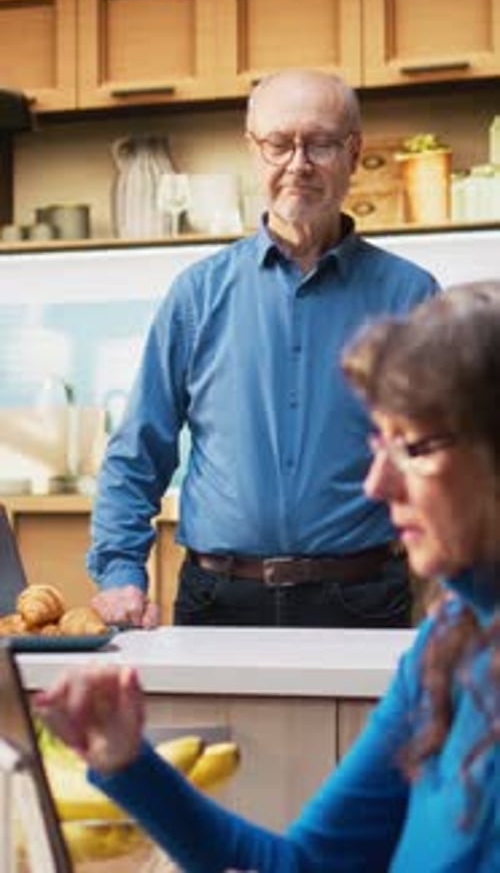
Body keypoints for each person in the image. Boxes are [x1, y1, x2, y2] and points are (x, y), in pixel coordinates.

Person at [36, 282, 500, 871]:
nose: (376, 485)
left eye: (413, 446)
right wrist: (126, 762)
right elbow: (301, 864)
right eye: (377, 445)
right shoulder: (447, 650)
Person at [87, 68, 439, 629]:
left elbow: (447, 458)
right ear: (254, 151)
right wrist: (120, 571)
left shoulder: (411, 296)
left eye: (320, 143)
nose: (297, 164)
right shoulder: (197, 294)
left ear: (353, 152)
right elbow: (139, 448)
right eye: (279, 144)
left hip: (364, 599)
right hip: (217, 599)